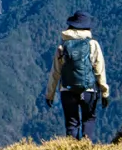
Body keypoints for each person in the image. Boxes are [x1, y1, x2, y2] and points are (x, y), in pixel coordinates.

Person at [44, 11, 109, 141]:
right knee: (88, 119)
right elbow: (99, 71)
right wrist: (104, 92)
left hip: (67, 90)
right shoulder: (93, 45)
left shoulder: (62, 46)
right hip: (89, 90)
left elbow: (55, 72)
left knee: (71, 123)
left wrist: (49, 94)